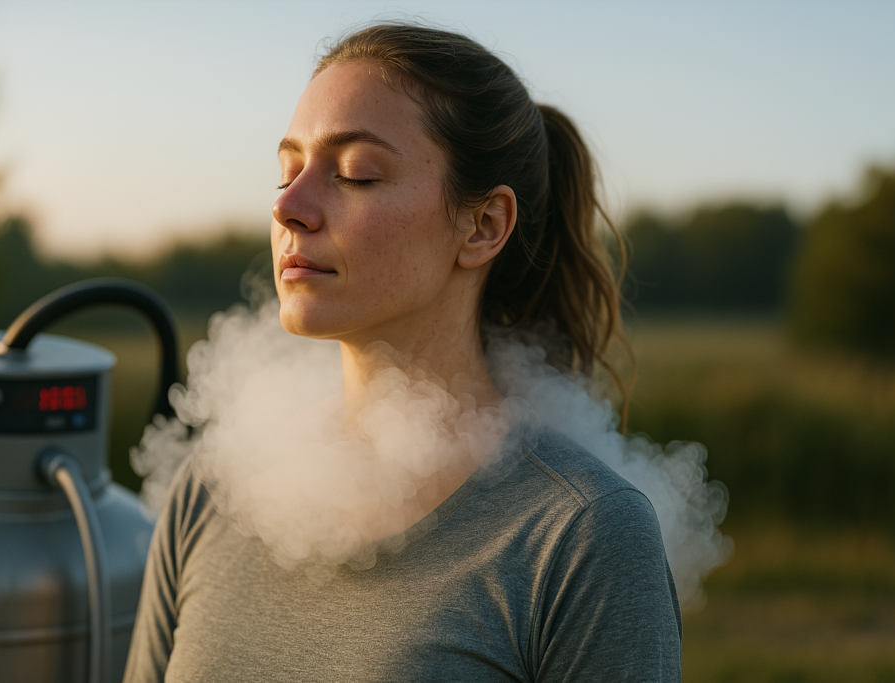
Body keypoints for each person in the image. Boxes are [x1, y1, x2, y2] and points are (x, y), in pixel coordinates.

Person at [124, 23, 682, 682]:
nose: (289, 207)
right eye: (287, 169)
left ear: (483, 226)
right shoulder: (211, 487)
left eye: (355, 173)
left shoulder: (581, 532)